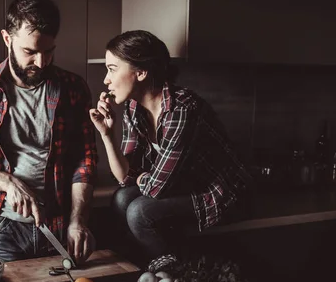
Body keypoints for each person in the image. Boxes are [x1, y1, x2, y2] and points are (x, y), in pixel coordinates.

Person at [0, 0, 98, 264]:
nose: (41, 62)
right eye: (30, 51)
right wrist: (8, 183)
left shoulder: (73, 88)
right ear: (7, 39)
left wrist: (78, 221)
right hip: (3, 228)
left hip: (60, 228)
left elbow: (85, 159)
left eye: (49, 51)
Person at [89, 30, 253, 261]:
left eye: (112, 69)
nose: (106, 79)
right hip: (182, 186)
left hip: (221, 194)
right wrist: (106, 134)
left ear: (141, 72)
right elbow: (124, 178)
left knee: (139, 212)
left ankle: (176, 279)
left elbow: (157, 188)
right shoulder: (134, 108)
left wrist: (141, 178)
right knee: (121, 198)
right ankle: (143, 271)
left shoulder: (181, 110)